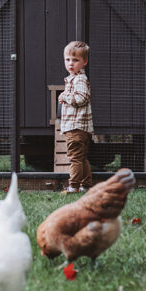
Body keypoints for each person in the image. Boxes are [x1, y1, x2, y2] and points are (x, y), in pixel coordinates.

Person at [58, 40, 93, 193]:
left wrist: (64, 96)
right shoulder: (74, 78)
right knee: (81, 157)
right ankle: (86, 185)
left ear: (84, 62)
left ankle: (74, 186)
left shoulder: (79, 79)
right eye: (67, 59)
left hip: (76, 126)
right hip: (78, 126)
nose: (70, 63)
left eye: (75, 60)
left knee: (75, 158)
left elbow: (81, 98)